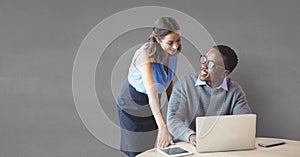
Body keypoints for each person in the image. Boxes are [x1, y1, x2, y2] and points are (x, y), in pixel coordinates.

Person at [117, 17, 181, 157]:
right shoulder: (144, 56)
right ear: (158, 40)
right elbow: (152, 96)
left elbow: (169, 80)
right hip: (132, 102)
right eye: (170, 42)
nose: (175, 46)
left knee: (149, 150)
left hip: (152, 101)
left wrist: (174, 111)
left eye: (178, 40)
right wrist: (163, 127)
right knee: (136, 152)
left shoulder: (172, 52)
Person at [166, 45, 252, 146]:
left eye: (211, 64)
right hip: (189, 144)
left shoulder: (235, 91)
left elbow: (244, 123)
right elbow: (173, 119)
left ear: (224, 73)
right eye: (204, 59)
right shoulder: (184, 84)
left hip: (221, 145)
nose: (204, 65)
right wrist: (191, 136)